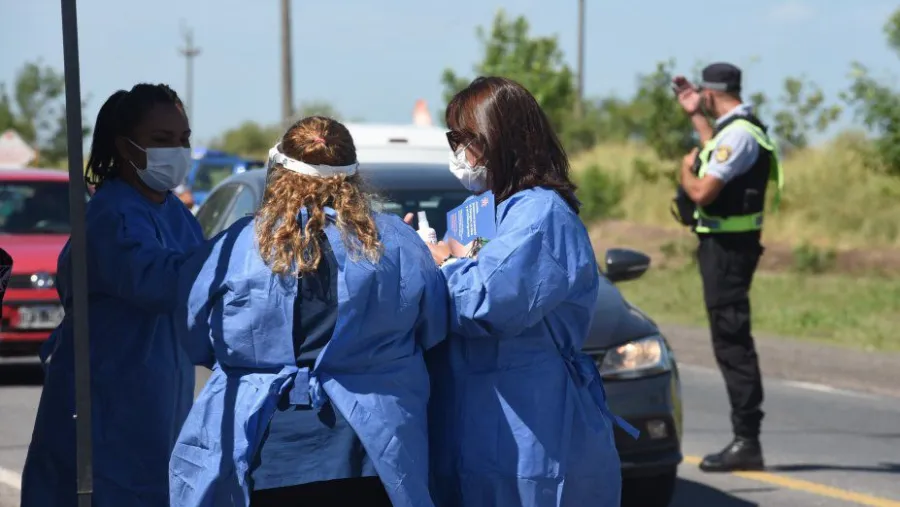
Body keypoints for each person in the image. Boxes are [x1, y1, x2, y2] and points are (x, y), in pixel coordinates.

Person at [168, 116, 448, 507]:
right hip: (373, 451)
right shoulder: (397, 243)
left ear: (278, 170)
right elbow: (432, 327)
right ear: (352, 177)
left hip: (264, 450)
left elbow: (195, 336)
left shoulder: (234, 249)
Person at [416, 77, 635, 507]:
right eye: (452, 138)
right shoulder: (477, 212)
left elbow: (485, 305)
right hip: (473, 412)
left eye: (466, 138)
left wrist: (442, 262)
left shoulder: (541, 215)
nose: (458, 152)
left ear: (503, 139)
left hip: (530, 414)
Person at [21, 83, 204, 506]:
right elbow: (159, 282)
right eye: (161, 140)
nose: (177, 151)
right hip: (106, 405)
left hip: (158, 402)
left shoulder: (173, 211)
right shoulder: (112, 216)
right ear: (126, 147)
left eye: (183, 140)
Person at [671, 63, 784, 472]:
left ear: (713, 91)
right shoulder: (736, 130)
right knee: (729, 337)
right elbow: (715, 146)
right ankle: (745, 438)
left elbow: (702, 190)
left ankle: (746, 440)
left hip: (728, 252)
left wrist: (684, 170)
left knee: (732, 341)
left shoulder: (737, 135)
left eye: (701, 92)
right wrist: (696, 116)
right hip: (726, 247)